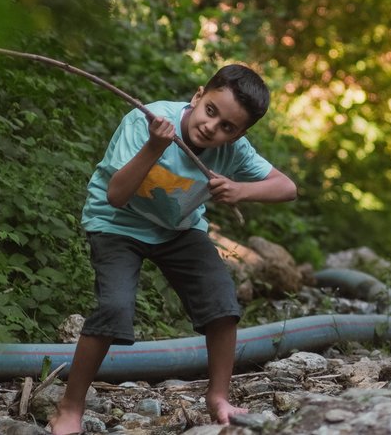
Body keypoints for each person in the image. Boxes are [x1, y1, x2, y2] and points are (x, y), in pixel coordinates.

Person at [50, 64, 298, 434]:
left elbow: (287, 187)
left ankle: (219, 397)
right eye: (210, 111)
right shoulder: (145, 120)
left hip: (177, 230)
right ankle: (70, 405)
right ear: (198, 96)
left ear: (240, 133)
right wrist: (154, 146)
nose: (212, 127)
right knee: (114, 307)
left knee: (222, 303)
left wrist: (242, 190)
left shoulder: (234, 151)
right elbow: (116, 196)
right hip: (117, 224)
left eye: (228, 127)